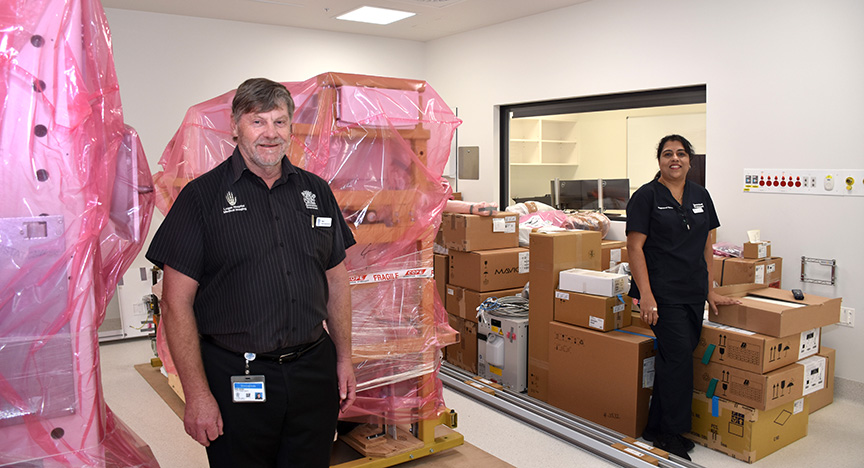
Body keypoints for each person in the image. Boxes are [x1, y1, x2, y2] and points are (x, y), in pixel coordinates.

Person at [146, 78, 356, 468]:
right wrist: (197, 393)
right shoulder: (201, 199)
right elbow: (176, 303)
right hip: (235, 373)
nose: (270, 134)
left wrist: (343, 358)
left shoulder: (317, 192)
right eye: (257, 122)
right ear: (235, 126)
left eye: (279, 122)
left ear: (292, 128)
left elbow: (336, 281)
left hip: (313, 368)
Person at [625, 134, 739, 461]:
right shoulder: (646, 196)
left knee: (675, 359)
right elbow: (635, 247)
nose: (674, 159)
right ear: (659, 160)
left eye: (680, 153)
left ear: (690, 159)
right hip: (661, 293)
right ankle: (672, 436)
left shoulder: (701, 195)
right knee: (678, 362)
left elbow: (707, 245)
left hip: (692, 291)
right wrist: (645, 295)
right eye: (667, 154)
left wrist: (710, 289)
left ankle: (655, 426)